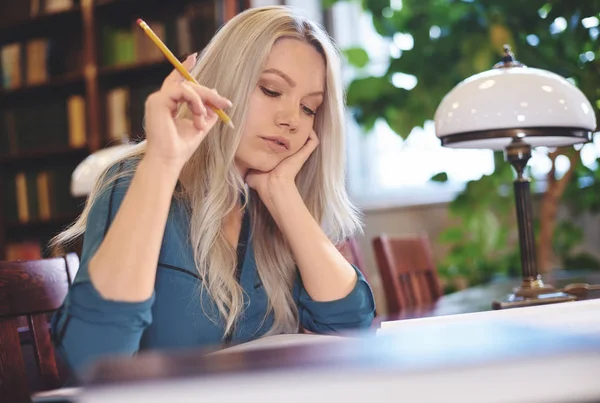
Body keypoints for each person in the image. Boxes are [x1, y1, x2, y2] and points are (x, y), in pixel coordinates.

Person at [50, 5, 376, 380]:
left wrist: (282, 193)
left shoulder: (264, 205)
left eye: (308, 108)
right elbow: (90, 359)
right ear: (222, 81)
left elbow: (353, 332)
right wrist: (162, 163)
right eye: (271, 90)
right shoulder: (134, 180)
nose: (291, 119)